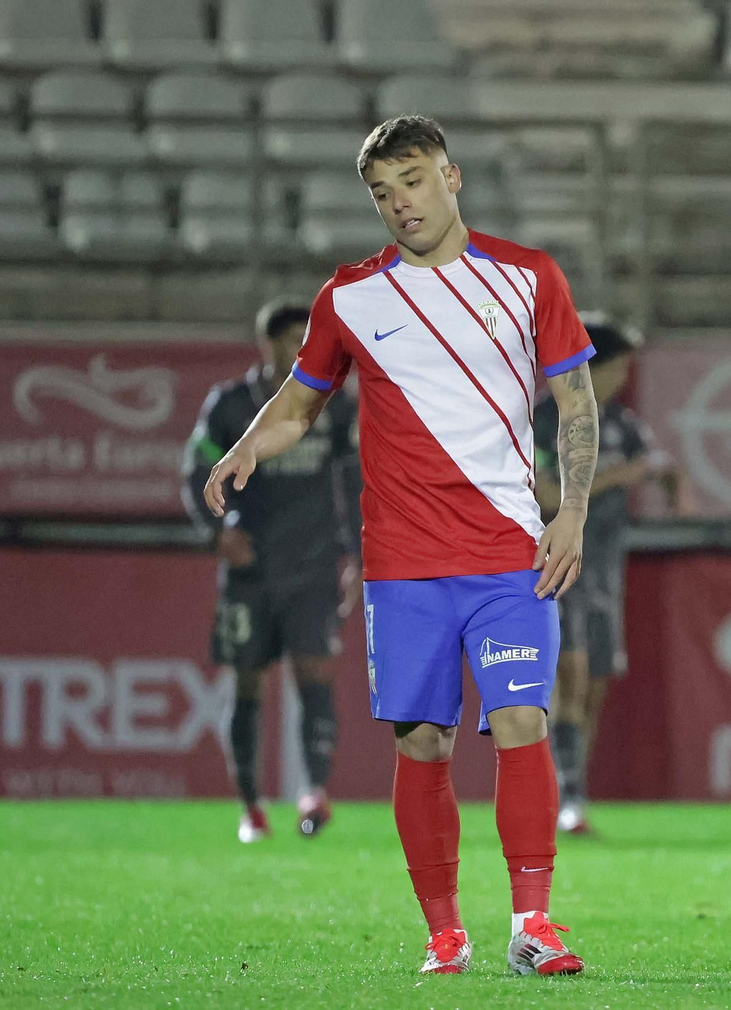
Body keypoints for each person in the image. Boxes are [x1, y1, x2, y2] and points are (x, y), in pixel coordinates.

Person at [203, 115, 595, 976]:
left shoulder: (529, 276)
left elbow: (575, 399)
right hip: (405, 566)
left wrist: (571, 513)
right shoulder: (349, 297)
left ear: (451, 178)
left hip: (510, 553)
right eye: (382, 192)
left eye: (413, 181)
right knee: (423, 744)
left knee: (523, 721)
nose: (400, 202)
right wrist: (245, 448)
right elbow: (300, 402)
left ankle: (533, 924)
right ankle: (444, 933)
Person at [181, 299, 360, 844]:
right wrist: (218, 532)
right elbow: (195, 468)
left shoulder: (334, 404)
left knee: (315, 673)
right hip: (252, 567)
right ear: (268, 344)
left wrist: (358, 555)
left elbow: (356, 481)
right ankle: (251, 807)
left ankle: (314, 792)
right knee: (248, 680)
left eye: (310, 337)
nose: (303, 347)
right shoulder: (231, 404)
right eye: (292, 339)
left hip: (314, 565)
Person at [533, 315, 688, 836]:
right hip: (558, 565)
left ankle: (569, 791)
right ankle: (564, 798)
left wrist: (672, 484)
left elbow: (658, 467)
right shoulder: (542, 420)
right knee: (570, 676)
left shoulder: (622, 424)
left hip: (605, 567)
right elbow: (548, 495)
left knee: (593, 684)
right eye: (617, 367)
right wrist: (623, 474)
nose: (623, 378)